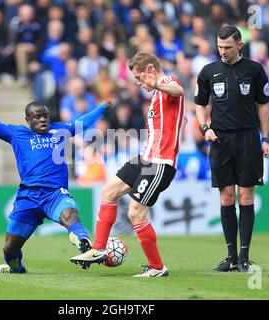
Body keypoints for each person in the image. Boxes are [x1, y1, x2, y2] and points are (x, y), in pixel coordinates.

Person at [0, 71, 113, 273]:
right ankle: (16, 268)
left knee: (70, 215)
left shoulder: (59, 130)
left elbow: (83, 123)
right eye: (37, 117)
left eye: (46, 116)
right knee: (10, 247)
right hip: (28, 196)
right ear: (28, 119)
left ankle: (86, 247)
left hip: (54, 194)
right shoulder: (16, 133)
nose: (43, 120)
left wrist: (101, 107)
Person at [70, 52, 185, 277]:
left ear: (150, 69)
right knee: (108, 191)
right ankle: (98, 249)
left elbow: (178, 91)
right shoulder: (156, 96)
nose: (139, 82)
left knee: (135, 213)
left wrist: (157, 84)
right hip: (146, 158)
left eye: (139, 77)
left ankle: (157, 267)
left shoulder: (167, 82)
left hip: (161, 162)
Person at [194, 26, 269, 273]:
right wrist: (205, 127)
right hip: (220, 140)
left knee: (246, 196)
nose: (222, 51)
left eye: (227, 47)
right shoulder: (208, 71)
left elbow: (263, 105)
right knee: (226, 196)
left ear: (239, 45)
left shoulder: (255, 70)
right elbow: (199, 104)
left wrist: (265, 137)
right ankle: (231, 257)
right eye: (219, 46)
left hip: (248, 138)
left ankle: (245, 256)